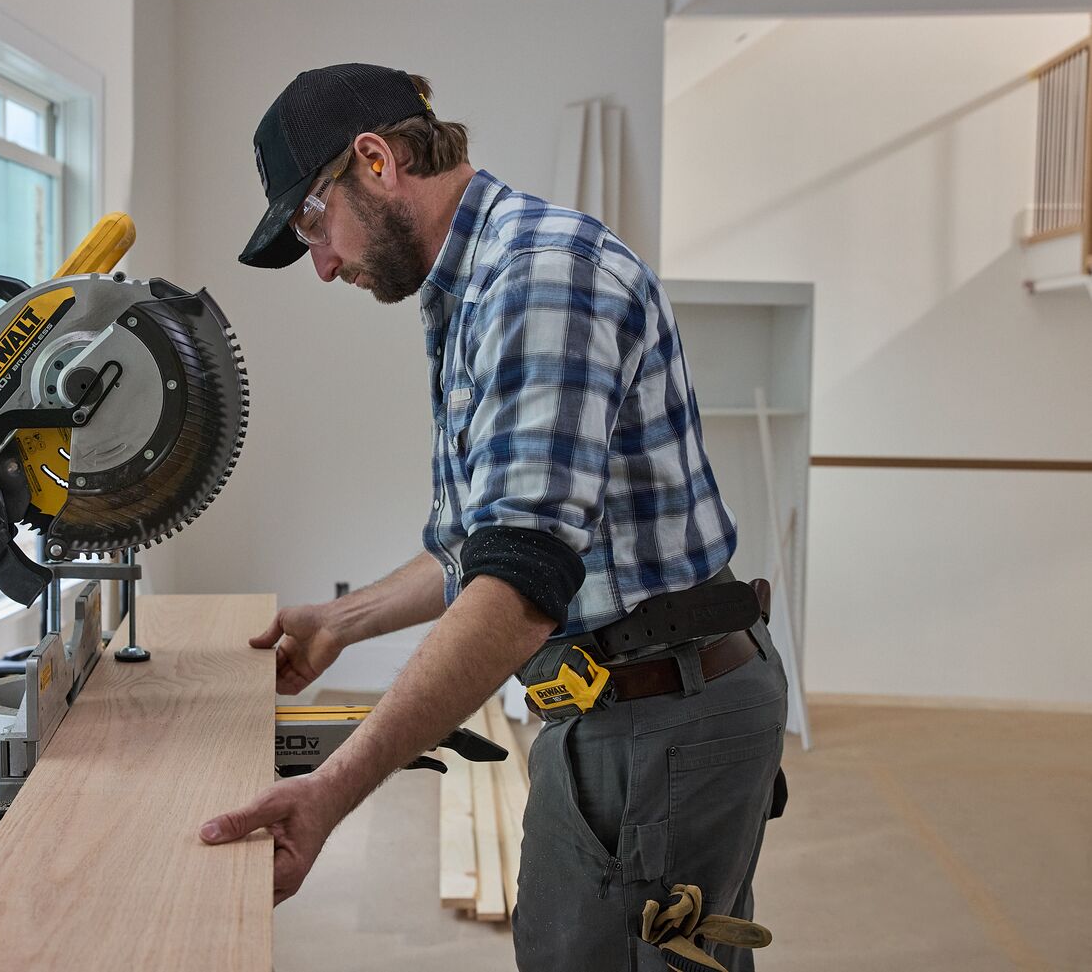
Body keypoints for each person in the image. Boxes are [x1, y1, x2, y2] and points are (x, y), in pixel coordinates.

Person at [199, 63, 788, 972]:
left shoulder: (537, 280)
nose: (321, 263)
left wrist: (332, 789)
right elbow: (484, 550)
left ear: (375, 160)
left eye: (314, 220)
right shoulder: (471, 286)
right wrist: (341, 624)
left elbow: (517, 588)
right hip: (633, 695)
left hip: (661, 709)